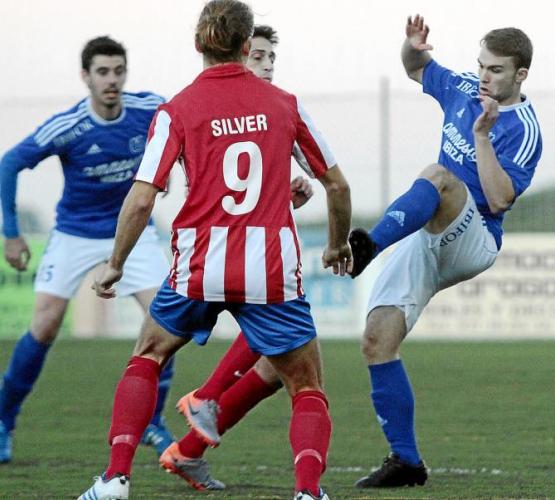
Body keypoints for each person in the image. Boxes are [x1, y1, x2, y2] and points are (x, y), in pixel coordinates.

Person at [77, 2, 352, 499]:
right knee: (306, 386)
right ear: (246, 46)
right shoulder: (285, 104)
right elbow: (337, 185)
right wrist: (336, 244)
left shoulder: (177, 110)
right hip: (268, 270)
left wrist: (116, 263)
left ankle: (115, 479)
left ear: (197, 44)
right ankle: (308, 493)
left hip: (199, 267)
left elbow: (142, 197)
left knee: (147, 356)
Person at [348, 15, 542, 488]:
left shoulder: (523, 129)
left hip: (474, 238)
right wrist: (411, 46)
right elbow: (415, 68)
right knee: (377, 339)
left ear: (520, 74)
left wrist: (481, 135)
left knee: (439, 176)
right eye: (481, 66)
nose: (484, 76)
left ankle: (370, 246)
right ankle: (406, 461)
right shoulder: (462, 88)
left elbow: (499, 199)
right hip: (428, 230)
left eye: (496, 69)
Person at [158, 24, 332, 493]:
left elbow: (249, 190)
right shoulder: (235, 111)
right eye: (258, 56)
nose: (267, 65)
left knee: (274, 370)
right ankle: (208, 397)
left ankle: (188, 450)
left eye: (272, 57)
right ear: (236, 56)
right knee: (302, 377)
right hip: (236, 258)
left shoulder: (269, 112)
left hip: (248, 252)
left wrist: (291, 194)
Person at [0, 36, 177, 463]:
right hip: (75, 232)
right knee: (45, 325)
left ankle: (152, 420)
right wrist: (12, 233)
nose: (111, 80)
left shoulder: (151, 109)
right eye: (102, 72)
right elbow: (10, 163)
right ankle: (4, 419)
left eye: (118, 71)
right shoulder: (70, 126)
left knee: (167, 323)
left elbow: (185, 132)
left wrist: (170, 164)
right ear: (86, 76)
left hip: (131, 232)